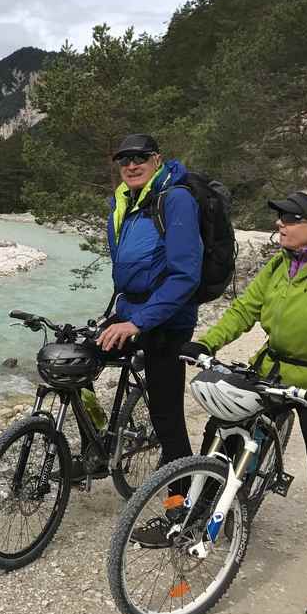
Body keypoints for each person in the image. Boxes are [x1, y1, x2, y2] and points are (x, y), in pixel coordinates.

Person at [181, 188, 307, 614]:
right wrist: (204, 342)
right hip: (271, 369)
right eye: (280, 217)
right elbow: (244, 311)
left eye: (290, 218)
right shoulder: (280, 263)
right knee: (223, 433)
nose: (280, 224)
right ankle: (201, 518)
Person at [92, 133, 203, 484]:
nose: (131, 165)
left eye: (140, 157)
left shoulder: (176, 199)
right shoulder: (125, 201)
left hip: (169, 321)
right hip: (133, 310)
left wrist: (138, 322)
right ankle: (98, 444)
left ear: (157, 159)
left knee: (166, 416)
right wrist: (124, 315)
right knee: (74, 359)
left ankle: (181, 501)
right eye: (124, 160)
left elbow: (185, 277)